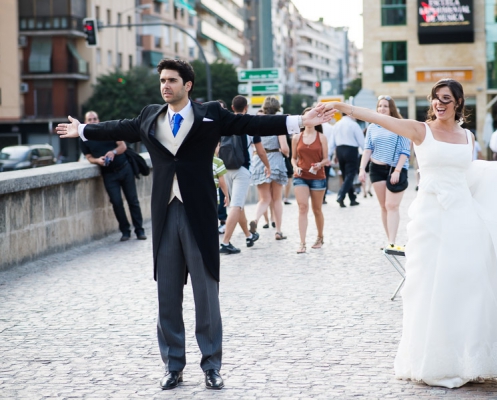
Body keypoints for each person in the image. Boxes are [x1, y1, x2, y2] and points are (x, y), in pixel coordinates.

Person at [56, 58, 333, 391]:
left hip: (199, 212)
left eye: (172, 80)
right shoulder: (150, 115)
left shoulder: (212, 114)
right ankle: (173, 365)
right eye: (162, 80)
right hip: (165, 212)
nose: (165, 86)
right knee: (167, 294)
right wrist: (83, 130)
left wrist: (300, 120)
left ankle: (211, 365)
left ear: (187, 85)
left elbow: (251, 125)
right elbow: (119, 127)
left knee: (206, 293)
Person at [322, 78, 497, 388]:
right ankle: (431, 359)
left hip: (463, 215)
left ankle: (469, 358)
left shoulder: (467, 137)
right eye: (436, 98)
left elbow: (468, 172)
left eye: (446, 99)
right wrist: (342, 107)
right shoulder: (420, 130)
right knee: (426, 287)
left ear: (458, 104)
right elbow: (376, 117)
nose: (439, 104)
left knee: (470, 285)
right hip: (430, 218)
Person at [79, 111, 146, 242]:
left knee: (133, 200)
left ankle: (140, 230)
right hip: (108, 174)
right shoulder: (83, 138)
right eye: (89, 119)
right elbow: (88, 157)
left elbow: (122, 146)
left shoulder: (107, 130)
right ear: (85, 122)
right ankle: (125, 231)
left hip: (124, 168)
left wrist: (113, 152)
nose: (92, 121)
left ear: (98, 120)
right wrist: (98, 160)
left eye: (95, 119)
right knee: (116, 203)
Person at [359, 95, 411, 251]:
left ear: (391, 109)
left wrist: (397, 170)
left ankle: (393, 243)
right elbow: (368, 149)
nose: (382, 109)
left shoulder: (399, 125)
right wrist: (362, 169)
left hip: (395, 169)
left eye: (385, 106)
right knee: (383, 206)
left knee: (392, 205)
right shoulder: (372, 127)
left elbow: (405, 150)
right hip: (376, 169)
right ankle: (390, 241)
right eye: (380, 106)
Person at [219, 95, 268, 254]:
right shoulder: (249, 124)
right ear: (246, 108)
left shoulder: (226, 122)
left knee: (238, 205)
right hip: (242, 169)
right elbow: (260, 151)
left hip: (226, 169)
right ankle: (225, 242)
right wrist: (268, 166)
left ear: (232, 108)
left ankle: (248, 235)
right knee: (236, 206)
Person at [249, 97, 290, 241]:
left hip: (259, 160)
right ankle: (278, 231)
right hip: (276, 160)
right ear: (278, 108)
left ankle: (255, 219)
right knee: (277, 199)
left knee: (264, 199)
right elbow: (285, 148)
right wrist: (286, 152)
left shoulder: (257, 122)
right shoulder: (278, 123)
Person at [291, 107, 329, 254]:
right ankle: (302, 243)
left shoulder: (321, 137)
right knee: (302, 207)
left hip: (317, 177)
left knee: (317, 209)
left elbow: (326, 159)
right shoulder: (296, 137)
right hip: (301, 176)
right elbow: (293, 158)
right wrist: (295, 167)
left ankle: (320, 237)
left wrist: (320, 164)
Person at [329, 111, 364, 207]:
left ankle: (352, 198)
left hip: (340, 150)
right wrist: (366, 152)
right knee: (351, 175)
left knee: (345, 175)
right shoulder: (353, 125)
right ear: (349, 114)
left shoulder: (336, 125)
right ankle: (341, 195)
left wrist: (330, 155)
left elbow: (332, 142)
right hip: (351, 150)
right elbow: (361, 141)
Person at [216, 100, 228, 233]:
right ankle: (221, 219)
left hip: (228, 163)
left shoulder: (228, 124)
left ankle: (224, 220)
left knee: (223, 191)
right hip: (214, 162)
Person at [213, 142, 229, 211]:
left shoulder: (199, 160)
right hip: (213, 196)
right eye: (218, 146)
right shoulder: (218, 162)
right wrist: (227, 195)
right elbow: (222, 182)